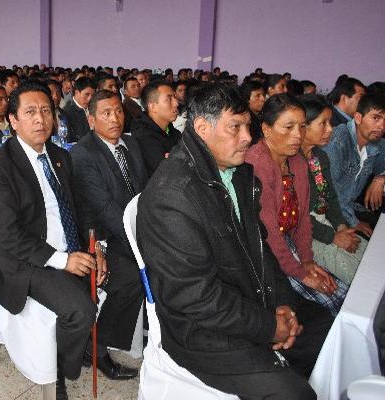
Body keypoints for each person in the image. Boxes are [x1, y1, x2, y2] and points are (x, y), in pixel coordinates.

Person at [137, 83, 332, 399]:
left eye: (247, 125)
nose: (247, 137)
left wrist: (282, 301)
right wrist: (269, 326)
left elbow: (261, 245)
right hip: (201, 332)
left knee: (327, 332)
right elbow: (195, 298)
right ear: (202, 128)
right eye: (235, 127)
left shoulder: (238, 173)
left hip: (249, 300)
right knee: (293, 394)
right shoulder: (172, 197)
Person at [0, 81, 110, 400]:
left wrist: (97, 247)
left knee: (120, 276)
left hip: (70, 247)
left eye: (46, 111)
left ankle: (87, 347)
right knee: (79, 309)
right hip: (28, 260)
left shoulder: (59, 155)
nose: (40, 119)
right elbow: (9, 235)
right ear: (13, 120)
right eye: (30, 112)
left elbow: (82, 209)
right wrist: (63, 260)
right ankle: (60, 371)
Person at [246, 94, 347, 316]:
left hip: (287, 243)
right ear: (266, 129)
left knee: (338, 292)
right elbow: (269, 233)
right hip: (261, 251)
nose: (297, 135)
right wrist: (300, 273)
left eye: (302, 127)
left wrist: (308, 261)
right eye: (288, 127)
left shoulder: (298, 162)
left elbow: (302, 220)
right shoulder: (257, 165)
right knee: (328, 303)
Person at [70, 90, 146, 379]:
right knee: (131, 275)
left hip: (130, 229)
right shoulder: (83, 153)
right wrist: (142, 243)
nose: (115, 118)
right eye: (106, 113)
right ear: (91, 120)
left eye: (118, 111)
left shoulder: (130, 144)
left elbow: (143, 193)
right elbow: (103, 208)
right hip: (98, 235)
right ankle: (97, 349)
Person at [298, 94, 367, 285]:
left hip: (328, 224)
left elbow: (331, 199)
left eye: (330, 122)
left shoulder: (319, 157)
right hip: (306, 233)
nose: (330, 129)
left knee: (369, 260)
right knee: (359, 279)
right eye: (323, 123)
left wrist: (342, 227)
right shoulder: (289, 163)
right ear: (303, 126)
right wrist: (333, 236)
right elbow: (296, 218)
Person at [322, 93, 385, 231]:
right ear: (358, 118)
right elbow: (331, 194)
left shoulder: (377, 142)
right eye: (376, 118)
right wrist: (355, 223)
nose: (382, 126)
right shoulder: (338, 141)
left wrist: (380, 179)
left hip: (350, 206)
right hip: (328, 212)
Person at [131, 80, 180, 177]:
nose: (176, 103)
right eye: (169, 99)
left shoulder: (173, 131)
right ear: (152, 107)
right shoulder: (143, 136)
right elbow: (166, 173)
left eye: (175, 97)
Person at [63, 77, 95, 142]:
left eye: (93, 95)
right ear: (77, 92)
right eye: (87, 94)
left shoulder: (94, 107)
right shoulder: (67, 112)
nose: (90, 99)